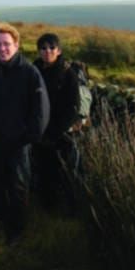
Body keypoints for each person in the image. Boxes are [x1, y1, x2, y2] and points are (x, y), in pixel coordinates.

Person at [0, 23, 49, 243]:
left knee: (17, 186)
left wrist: (29, 137)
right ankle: (0, 224)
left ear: (16, 44)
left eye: (6, 44)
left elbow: (40, 109)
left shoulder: (29, 73)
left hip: (18, 142)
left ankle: (16, 231)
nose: (3, 48)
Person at [32, 33, 81, 213]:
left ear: (59, 51)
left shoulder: (68, 74)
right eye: (43, 48)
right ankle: (46, 209)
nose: (47, 52)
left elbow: (73, 106)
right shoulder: (34, 70)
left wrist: (54, 133)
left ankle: (68, 211)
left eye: (52, 48)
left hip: (60, 133)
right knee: (42, 171)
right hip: (39, 131)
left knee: (63, 172)